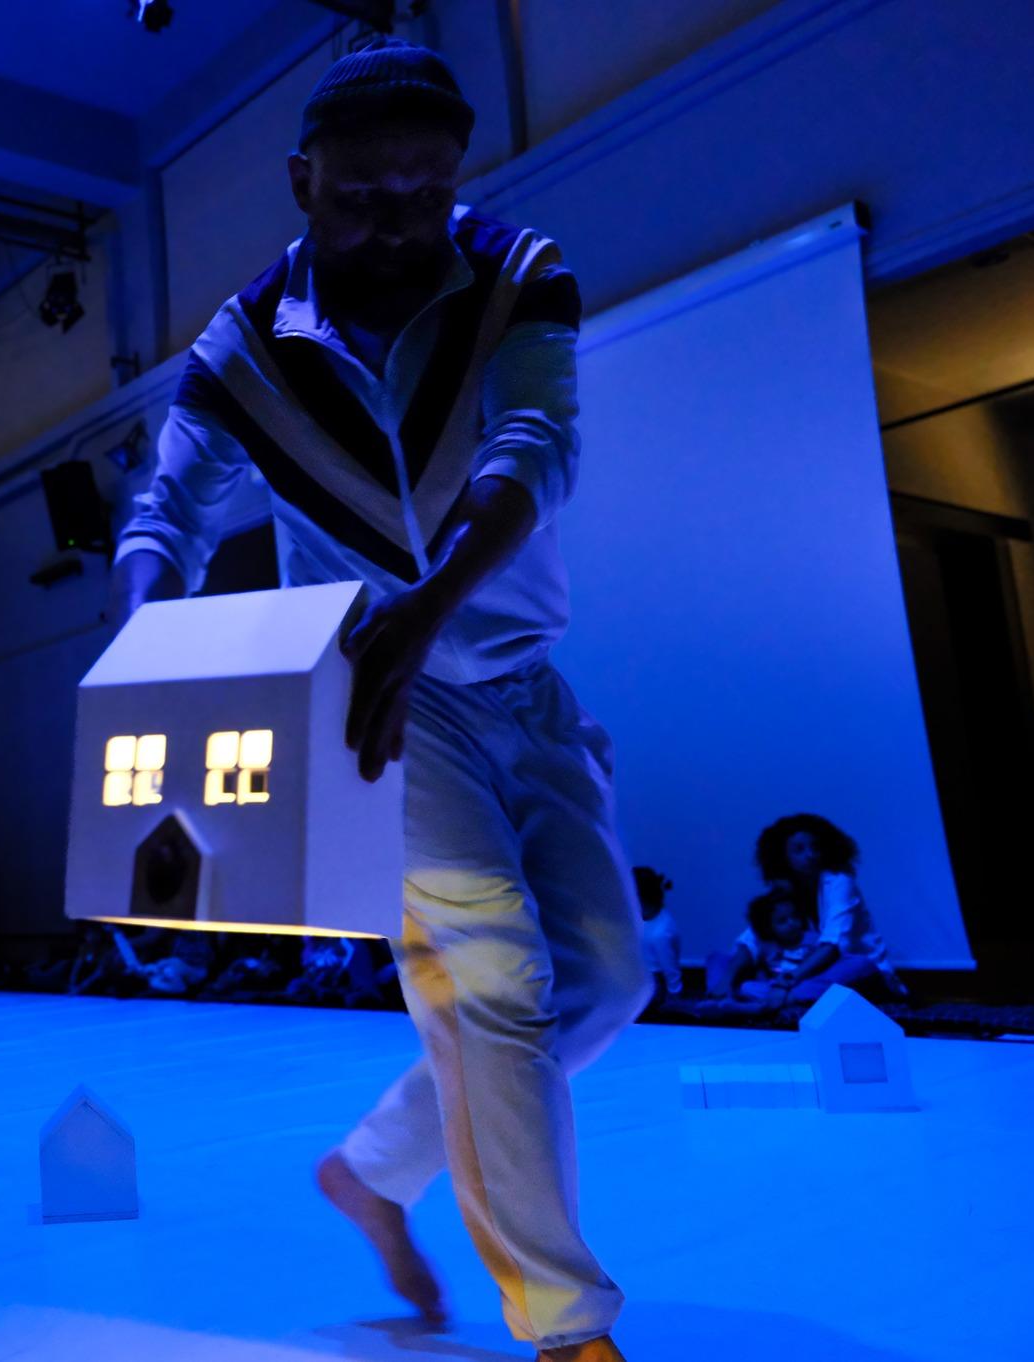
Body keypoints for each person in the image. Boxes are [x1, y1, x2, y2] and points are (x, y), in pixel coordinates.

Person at [110, 39, 647, 1360]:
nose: (397, 221)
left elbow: (536, 443)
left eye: (425, 190)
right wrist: (140, 640)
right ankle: (566, 1326)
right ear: (301, 181)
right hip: (372, 702)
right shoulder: (243, 345)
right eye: (359, 196)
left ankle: (370, 1169)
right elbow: (168, 510)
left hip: (521, 683)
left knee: (604, 982)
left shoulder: (518, 273)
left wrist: (436, 600)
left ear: (457, 172)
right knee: (490, 971)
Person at [755, 814, 907, 999]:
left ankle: (775, 997)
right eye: (799, 850)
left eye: (815, 847)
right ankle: (776, 996)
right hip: (812, 971)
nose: (810, 855)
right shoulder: (786, 887)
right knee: (728, 964)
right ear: (783, 856)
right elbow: (751, 938)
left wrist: (789, 980)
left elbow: (832, 946)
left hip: (855, 970)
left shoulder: (839, 882)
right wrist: (729, 978)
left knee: (859, 965)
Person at [704, 887, 877, 1010]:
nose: (792, 923)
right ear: (769, 928)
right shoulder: (769, 946)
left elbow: (822, 963)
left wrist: (787, 985)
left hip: (801, 984)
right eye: (782, 921)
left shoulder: (810, 939)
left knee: (856, 966)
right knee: (727, 968)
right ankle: (721, 998)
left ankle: (764, 1005)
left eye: (795, 917)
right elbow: (756, 962)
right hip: (771, 988)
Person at [634, 868, 682, 999]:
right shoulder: (643, 919)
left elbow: (670, 967)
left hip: (652, 979)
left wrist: (674, 990)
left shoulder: (661, 933)